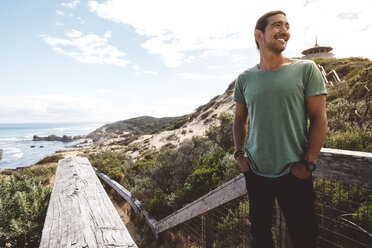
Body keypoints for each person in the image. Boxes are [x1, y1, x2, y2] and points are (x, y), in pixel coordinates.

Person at [233, 10, 327, 248]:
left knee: (305, 238)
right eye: (277, 25)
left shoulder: (306, 69)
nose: (285, 30)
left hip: (294, 173)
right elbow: (239, 119)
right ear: (259, 35)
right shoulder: (245, 78)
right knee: (261, 237)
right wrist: (239, 154)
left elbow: (319, 118)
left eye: (287, 25)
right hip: (256, 173)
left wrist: (309, 164)